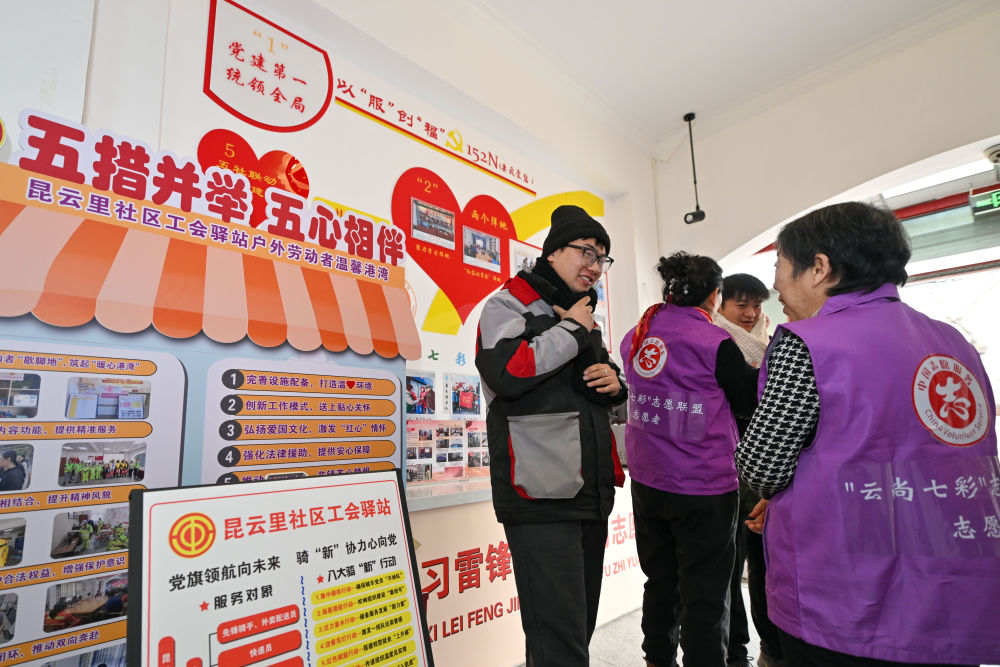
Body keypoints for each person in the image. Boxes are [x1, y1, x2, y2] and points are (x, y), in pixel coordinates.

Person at [736, 202, 1000, 666]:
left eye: (779, 265)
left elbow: (763, 466)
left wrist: (780, 492)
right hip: (955, 588)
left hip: (850, 599)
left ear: (819, 268)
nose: (776, 285)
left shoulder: (807, 343)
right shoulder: (955, 341)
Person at [476, 205, 627, 667]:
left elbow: (600, 383)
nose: (594, 266)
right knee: (556, 638)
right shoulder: (508, 304)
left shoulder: (581, 314)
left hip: (589, 491)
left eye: (602, 258)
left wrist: (615, 382)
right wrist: (573, 329)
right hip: (540, 494)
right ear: (553, 252)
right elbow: (507, 373)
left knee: (577, 629)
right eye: (586, 252)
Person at [620, 252, 758, 667]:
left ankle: (656, 659)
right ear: (714, 296)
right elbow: (748, 401)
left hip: (648, 481)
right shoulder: (714, 342)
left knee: (660, 581)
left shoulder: (638, 334)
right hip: (704, 487)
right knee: (705, 592)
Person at [713, 273, 784, 667]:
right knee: (726, 568)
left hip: (762, 475)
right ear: (720, 303)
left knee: (764, 566)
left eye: (757, 305)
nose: (751, 313)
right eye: (741, 304)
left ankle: (769, 647)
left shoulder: (773, 344)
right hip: (721, 471)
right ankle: (734, 649)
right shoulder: (712, 343)